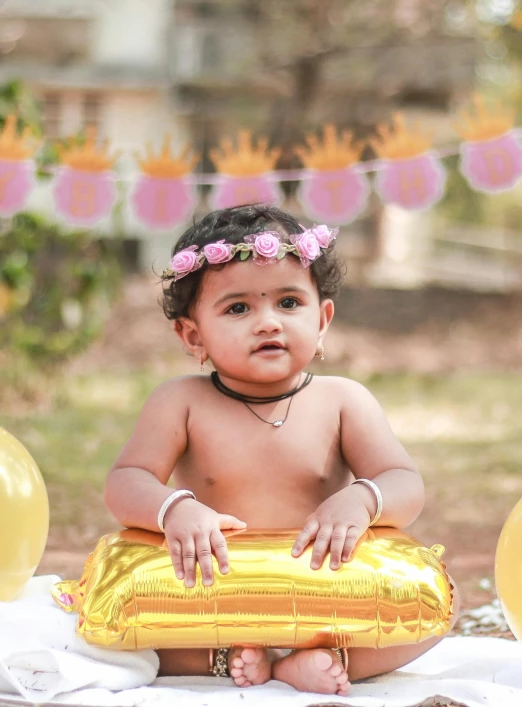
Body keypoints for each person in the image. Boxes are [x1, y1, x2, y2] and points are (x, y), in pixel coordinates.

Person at [104, 203, 459, 696]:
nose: (268, 322)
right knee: (117, 626)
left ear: (323, 320)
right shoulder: (180, 402)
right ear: (192, 334)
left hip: (322, 587)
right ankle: (225, 657)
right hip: (218, 586)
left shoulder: (343, 401)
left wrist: (360, 498)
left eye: (289, 303)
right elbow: (125, 481)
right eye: (238, 308)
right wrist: (174, 509)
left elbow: (404, 481)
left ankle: (315, 660)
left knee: (438, 610)